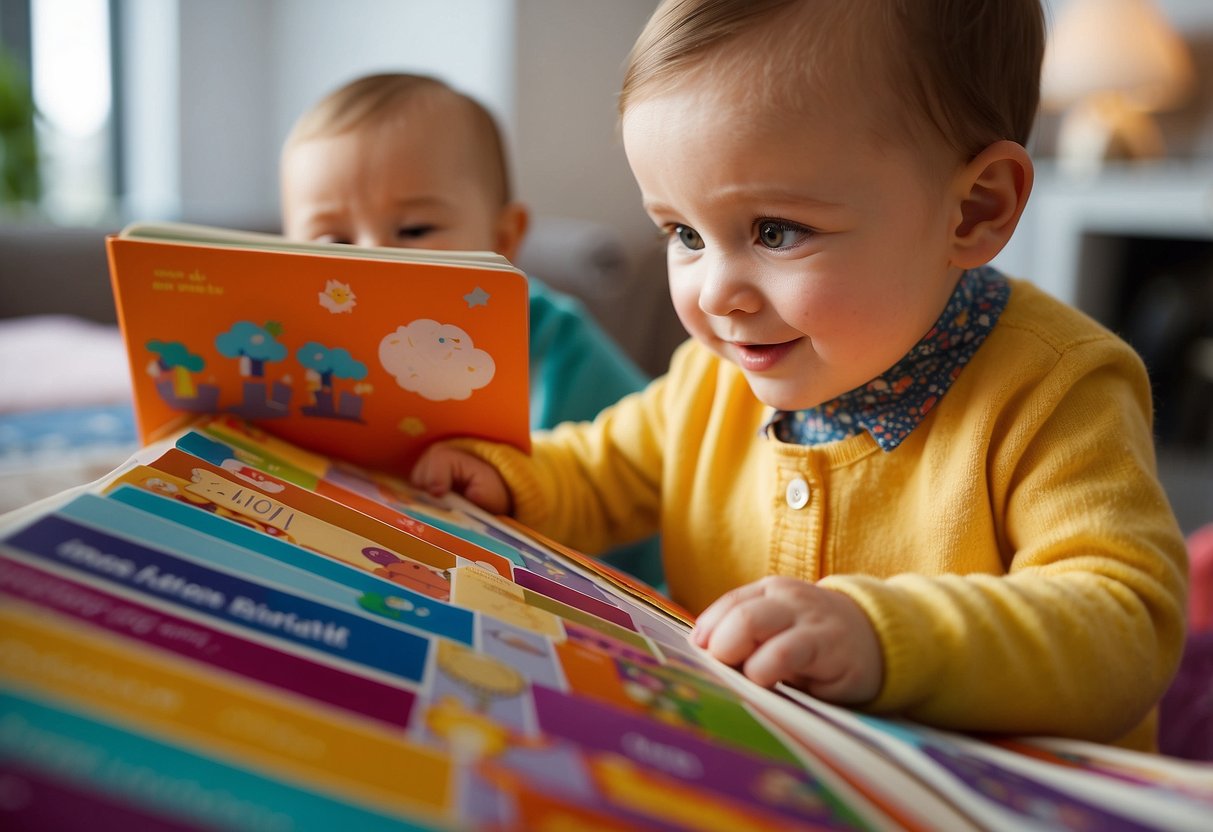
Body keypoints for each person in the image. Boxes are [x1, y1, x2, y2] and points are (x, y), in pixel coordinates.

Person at [409, 0, 1190, 751]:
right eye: (682, 232)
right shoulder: (711, 382)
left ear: (975, 210)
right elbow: (593, 472)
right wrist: (506, 480)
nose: (714, 294)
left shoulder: (1055, 389)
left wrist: (885, 637)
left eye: (773, 231)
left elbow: (1124, 623)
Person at [279, 73, 662, 588]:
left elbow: (661, 471)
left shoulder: (558, 343)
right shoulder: (303, 346)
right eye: (335, 240)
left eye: (413, 230)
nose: (372, 259)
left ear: (502, 238)